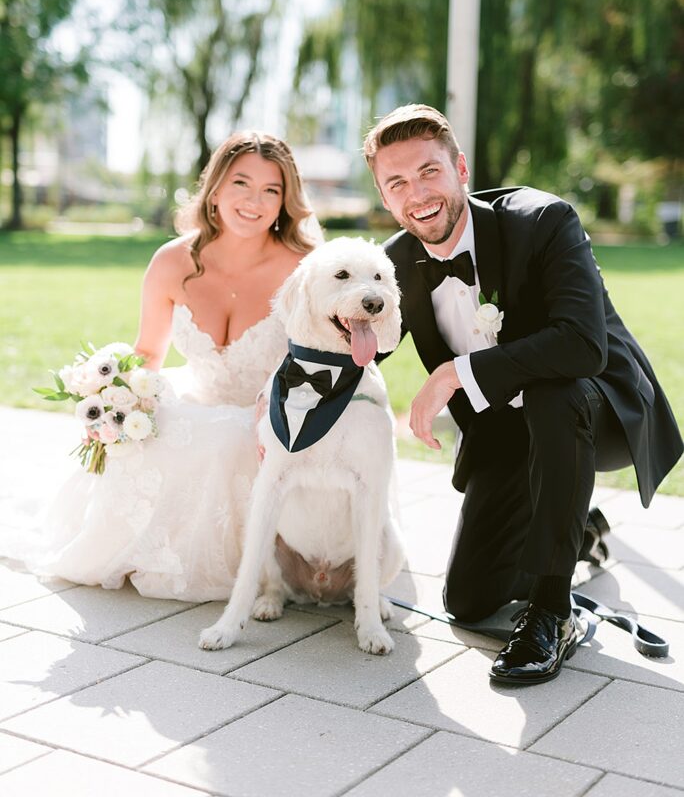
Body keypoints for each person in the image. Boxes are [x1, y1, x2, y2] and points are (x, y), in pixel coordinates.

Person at [364, 104, 683, 684]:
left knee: (551, 394)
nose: (417, 194)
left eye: (430, 171)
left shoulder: (544, 220)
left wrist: (456, 372)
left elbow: (584, 346)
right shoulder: (395, 264)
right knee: (468, 599)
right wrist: (287, 386)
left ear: (460, 168)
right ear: (385, 199)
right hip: (505, 433)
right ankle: (576, 526)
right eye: (398, 183)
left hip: (596, 409)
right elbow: (359, 350)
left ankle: (552, 611)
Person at [4, 131, 319, 601]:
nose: (254, 201)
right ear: (214, 190)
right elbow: (148, 353)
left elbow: (322, 366)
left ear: (284, 202)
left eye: (271, 190)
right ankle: (144, 549)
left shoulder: (306, 268)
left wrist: (274, 406)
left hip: (276, 413)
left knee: (227, 440)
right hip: (202, 396)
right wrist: (114, 402)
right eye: (241, 184)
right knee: (148, 430)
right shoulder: (173, 261)